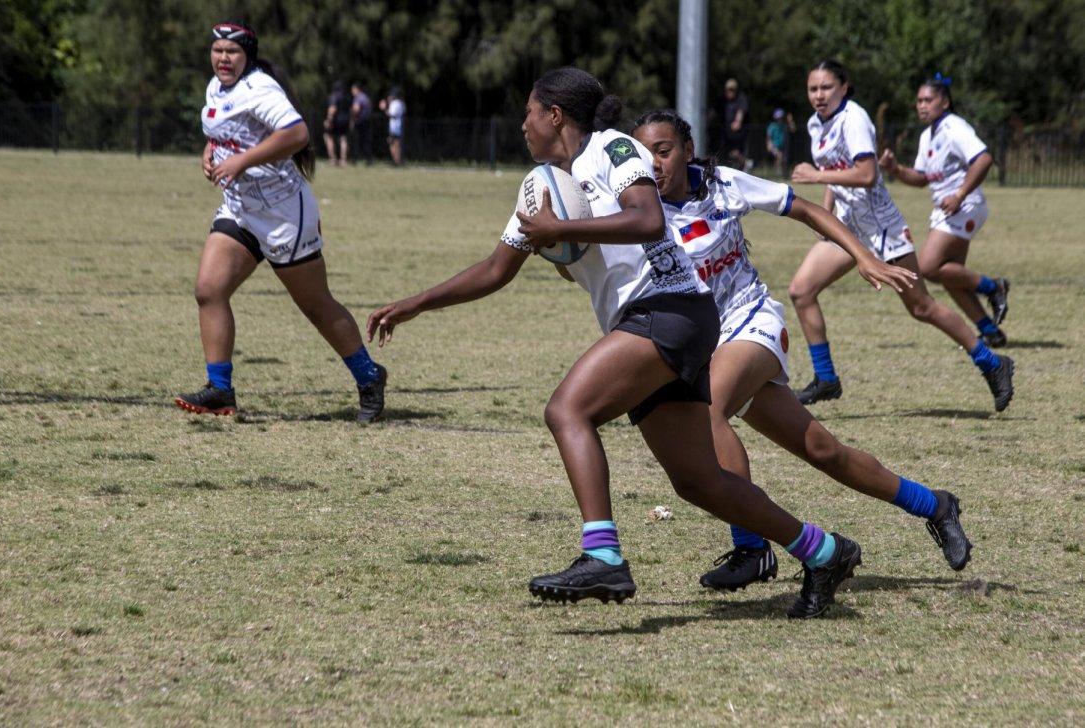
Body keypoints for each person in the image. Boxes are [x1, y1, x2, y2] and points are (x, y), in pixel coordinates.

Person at [368, 67, 863, 619]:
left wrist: (564, 232)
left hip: (672, 305)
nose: (523, 124)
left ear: (555, 115)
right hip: (651, 317)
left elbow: (648, 220)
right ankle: (824, 551)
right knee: (699, 482)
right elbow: (494, 268)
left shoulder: (612, 148)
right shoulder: (544, 188)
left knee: (567, 410)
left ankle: (602, 554)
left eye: (530, 112)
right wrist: (415, 303)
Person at [632, 109, 973, 592]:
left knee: (710, 410)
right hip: (709, 345)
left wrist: (864, 256)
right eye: (644, 156)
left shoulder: (725, 184)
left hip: (753, 324)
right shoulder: (642, 210)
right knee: (824, 451)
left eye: (662, 151)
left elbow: (808, 209)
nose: (654, 164)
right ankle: (934, 504)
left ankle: (752, 548)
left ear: (686, 149)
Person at [175, 20, 388, 423]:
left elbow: (297, 134)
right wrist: (212, 150)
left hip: (283, 215)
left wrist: (240, 161)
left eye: (232, 52)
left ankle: (369, 376)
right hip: (240, 209)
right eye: (218, 50)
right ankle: (220, 388)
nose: (223, 58)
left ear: (248, 57)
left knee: (314, 304)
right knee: (209, 290)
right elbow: (227, 129)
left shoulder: (261, 89)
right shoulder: (217, 87)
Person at [788, 60, 1014, 411]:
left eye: (826, 87)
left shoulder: (855, 119)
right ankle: (826, 378)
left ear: (844, 87)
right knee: (801, 291)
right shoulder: (816, 123)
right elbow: (834, 174)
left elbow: (865, 174)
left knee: (922, 307)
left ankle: (991, 362)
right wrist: (826, 217)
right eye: (813, 89)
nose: (819, 95)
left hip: (881, 228)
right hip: (849, 226)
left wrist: (815, 176)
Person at [879, 74, 1009, 347]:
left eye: (928, 99)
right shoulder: (929, 135)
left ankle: (993, 287)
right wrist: (896, 170)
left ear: (945, 102)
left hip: (965, 205)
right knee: (950, 275)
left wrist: (960, 194)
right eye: (918, 101)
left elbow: (984, 158)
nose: (921, 105)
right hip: (948, 210)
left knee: (928, 266)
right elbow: (921, 178)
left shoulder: (953, 127)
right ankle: (990, 331)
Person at [720, 78, 750, 171]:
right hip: (726, 132)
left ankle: (746, 164)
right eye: (728, 89)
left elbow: (741, 111)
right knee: (728, 153)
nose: (730, 92)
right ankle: (742, 166)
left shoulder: (741, 98)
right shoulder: (723, 99)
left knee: (735, 152)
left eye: (732, 90)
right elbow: (715, 110)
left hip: (738, 133)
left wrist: (738, 121)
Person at [323, 80, 351, 166]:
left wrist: (328, 120)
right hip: (345, 120)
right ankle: (343, 160)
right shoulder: (346, 97)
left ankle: (333, 159)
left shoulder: (333, 96)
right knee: (343, 139)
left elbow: (332, 109)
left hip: (335, 120)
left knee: (328, 137)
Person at [765, 108, 795, 176]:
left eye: (781, 118)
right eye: (778, 118)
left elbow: (793, 129)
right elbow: (768, 137)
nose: (780, 119)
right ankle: (777, 172)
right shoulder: (772, 126)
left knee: (784, 161)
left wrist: (790, 121)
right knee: (779, 156)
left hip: (783, 147)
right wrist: (768, 145)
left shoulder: (784, 125)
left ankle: (783, 174)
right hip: (773, 146)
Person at [379, 87, 405, 166]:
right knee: (396, 144)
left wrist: (384, 109)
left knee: (392, 143)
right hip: (399, 126)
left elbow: (391, 114)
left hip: (394, 127)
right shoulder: (401, 103)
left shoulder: (395, 104)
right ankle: (398, 161)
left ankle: (396, 161)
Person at [350, 83, 374, 166]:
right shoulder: (366, 97)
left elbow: (356, 110)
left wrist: (352, 117)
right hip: (367, 121)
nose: (352, 92)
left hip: (359, 122)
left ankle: (355, 160)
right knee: (366, 141)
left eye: (353, 90)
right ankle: (369, 160)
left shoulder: (358, 98)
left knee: (356, 141)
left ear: (357, 89)